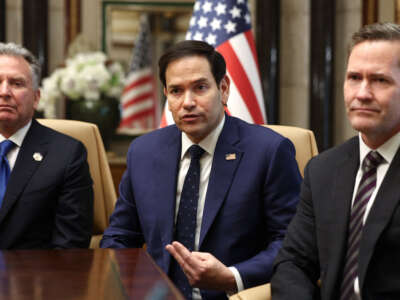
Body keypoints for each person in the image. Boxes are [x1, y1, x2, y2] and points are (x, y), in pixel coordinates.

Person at [100, 40, 301, 299]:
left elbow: (290, 242)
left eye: (200, 88)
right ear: (166, 96)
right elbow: (121, 236)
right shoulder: (144, 152)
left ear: (224, 89)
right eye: (176, 91)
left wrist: (232, 276)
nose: (188, 102)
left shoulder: (269, 152)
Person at [271, 22, 400, 300]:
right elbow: (293, 263)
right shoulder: (323, 169)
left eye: (380, 80)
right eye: (354, 77)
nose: (362, 93)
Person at [0, 42, 93, 249]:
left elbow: (70, 246)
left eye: (16, 83)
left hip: (33, 279)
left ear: (36, 98)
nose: (4, 91)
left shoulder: (67, 155)